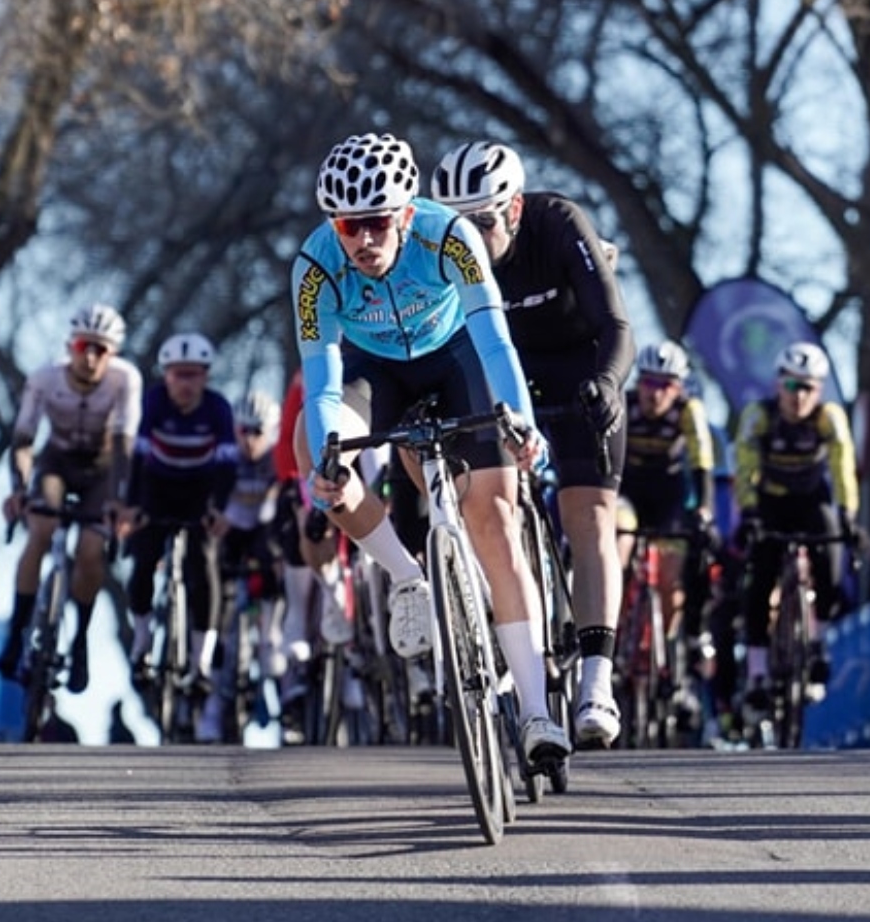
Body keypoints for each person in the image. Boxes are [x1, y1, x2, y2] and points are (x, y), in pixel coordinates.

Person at [291, 132, 570, 767]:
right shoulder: (313, 269)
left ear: (407, 214)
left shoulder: (449, 237)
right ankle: (410, 577)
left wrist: (520, 425)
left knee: (494, 518)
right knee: (314, 449)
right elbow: (323, 380)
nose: (362, 240)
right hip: (372, 368)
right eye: (347, 225)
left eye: (376, 223)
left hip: (457, 357)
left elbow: (497, 343)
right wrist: (331, 457)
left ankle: (535, 713)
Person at [430, 140, 636, 748]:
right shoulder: (442, 254)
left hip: (578, 370)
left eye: (484, 223)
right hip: (499, 378)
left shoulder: (558, 224)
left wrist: (605, 382)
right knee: (492, 508)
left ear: (515, 210)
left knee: (589, 514)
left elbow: (615, 325)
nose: (469, 238)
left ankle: (596, 682)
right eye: (455, 227)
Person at [0, 304, 142, 696]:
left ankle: (79, 641)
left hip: (102, 468)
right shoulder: (44, 378)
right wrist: (19, 488)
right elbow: (24, 440)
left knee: (92, 550)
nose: (91, 357)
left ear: (113, 355)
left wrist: (118, 500)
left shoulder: (125, 380)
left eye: (102, 350)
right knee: (41, 530)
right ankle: (16, 632)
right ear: (69, 346)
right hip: (56, 462)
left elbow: (125, 445)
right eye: (83, 346)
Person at [727, 343, 859, 709]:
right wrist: (749, 511)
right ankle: (756, 671)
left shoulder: (828, 418)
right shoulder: (760, 416)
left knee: (832, 563)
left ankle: (818, 643)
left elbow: (842, 467)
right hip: (769, 502)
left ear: (819, 390)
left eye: (808, 388)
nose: (798, 396)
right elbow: (744, 465)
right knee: (760, 577)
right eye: (791, 386)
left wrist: (848, 512)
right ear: (778, 384)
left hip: (811, 500)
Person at [124, 331, 238, 741]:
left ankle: (201, 663)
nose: (184, 384)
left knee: (202, 563)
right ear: (166, 377)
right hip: (157, 487)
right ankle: (141, 643)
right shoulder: (152, 402)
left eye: (192, 375)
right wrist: (133, 506)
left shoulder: (219, 409)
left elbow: (227, 467)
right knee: (141, 559)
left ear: (205, 377)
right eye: (176, 375)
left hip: (200, 490)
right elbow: (136, 459)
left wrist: (219, 510)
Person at [616, 340, 716, 713]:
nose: (655, 393)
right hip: (628, 491)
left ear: (679, 387)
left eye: (665, 385)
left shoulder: (689, 411)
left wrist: (704, 509)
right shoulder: (623, 405)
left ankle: (670, 643)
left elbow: (702, 460)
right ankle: (616, 626)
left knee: (673, 577)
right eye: (648, 383)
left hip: (670, 495)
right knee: (617, 546)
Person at [201, 390, 289, 743]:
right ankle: (211, 705)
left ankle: (278, 683)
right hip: (232, 533)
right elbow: (208, 501)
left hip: (264, 535)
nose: (250, 439)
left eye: (258, 431)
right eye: (243, 431)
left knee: (272, 614)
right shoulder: (224, 457)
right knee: (217, 605)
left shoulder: (276, 459)